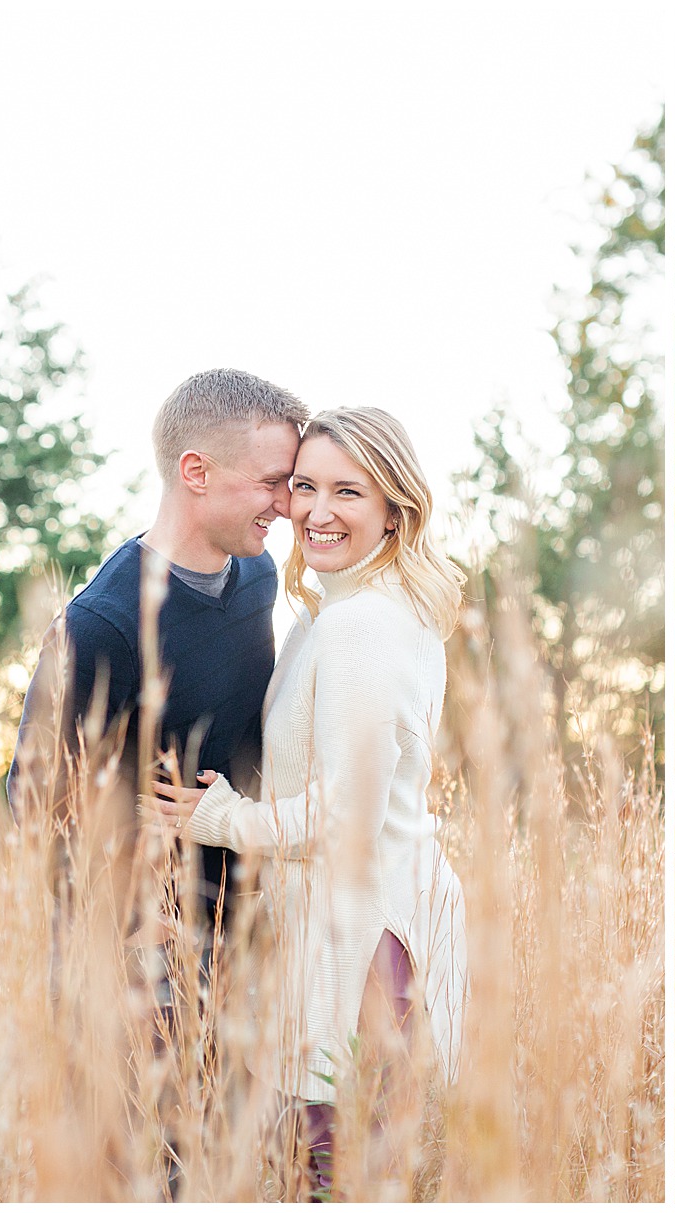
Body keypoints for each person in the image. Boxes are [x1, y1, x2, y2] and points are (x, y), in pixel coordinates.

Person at [147, 407, 468, 1194]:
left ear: (395, 508)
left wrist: (220, 817)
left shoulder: (361, 625)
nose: (318, 511)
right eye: (304, 486)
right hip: (361, 921)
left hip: (362, 938)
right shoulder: (349, 613)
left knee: (337, 1173)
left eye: (348, 492)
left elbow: (344, 817)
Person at [7, 366, 306, 975]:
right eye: (271, 482)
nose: (286, 504)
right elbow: (32, 798)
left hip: (248, 936)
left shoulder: (258, 577)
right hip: (140, 968)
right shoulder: (99, 625)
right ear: (196, 472)